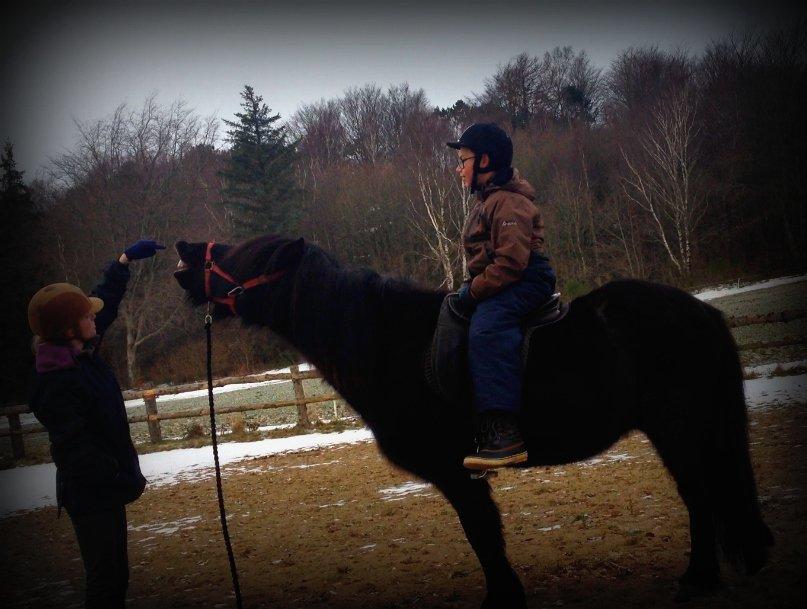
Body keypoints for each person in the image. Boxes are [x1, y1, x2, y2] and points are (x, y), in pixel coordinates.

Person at [28, 239, 165, 609]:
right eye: (86, 317)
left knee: (115, 579)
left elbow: (104, 303)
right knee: (105, 585)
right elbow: (73, 449)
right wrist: (116, 475)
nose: (95, 318)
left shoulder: (78, 354)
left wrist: (123, 262)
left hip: (105, 489)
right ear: (69, 329)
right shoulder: (57, 381)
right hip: (91, 494)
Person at [447, 123, 556, 471]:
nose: (458, 168)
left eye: (463, 160)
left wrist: (473, 292)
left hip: (525, 277)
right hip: (503, 278)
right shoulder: (487, 201)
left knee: (488, 326)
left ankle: (504, 431)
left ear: (485, 161)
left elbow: (510, 263)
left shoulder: (507, 202)